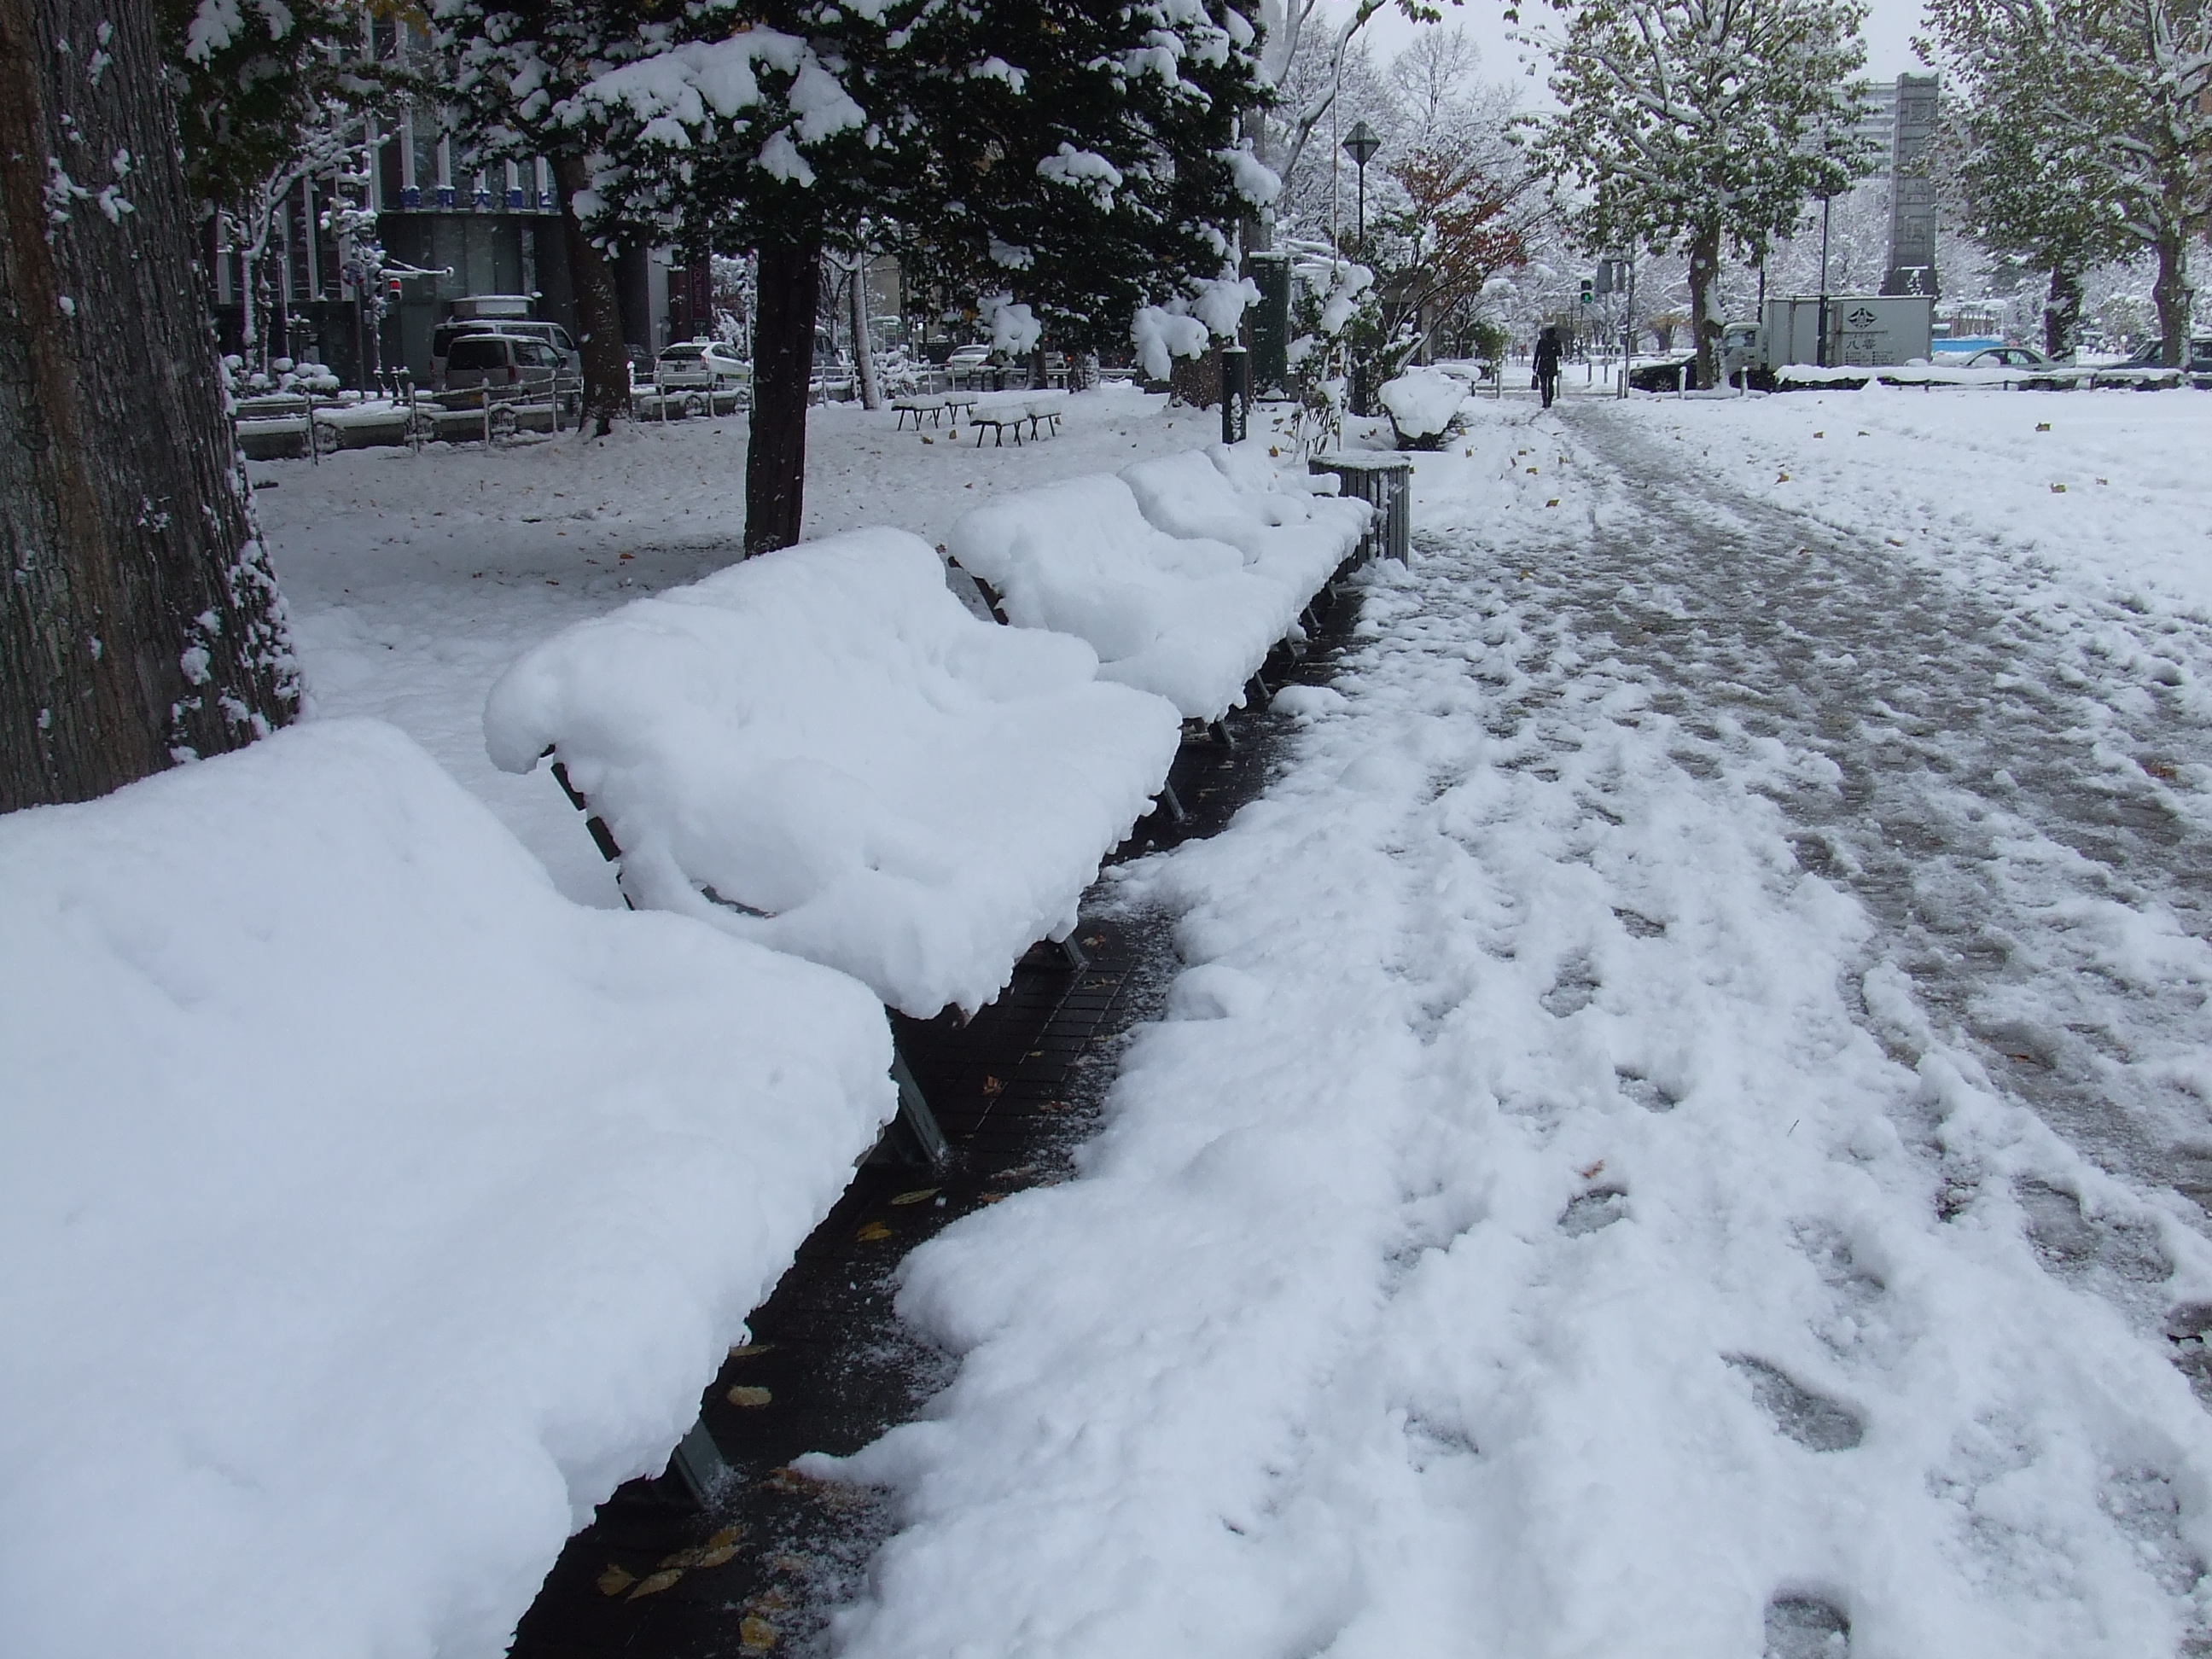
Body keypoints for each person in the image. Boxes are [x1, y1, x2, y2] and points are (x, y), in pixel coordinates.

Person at [1534, 324, 1563, 409]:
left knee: (1543, 384)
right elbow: (1560, 354)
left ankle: (1544, 401)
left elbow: (1537, 354)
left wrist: (1535, 365)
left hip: (1542, 364)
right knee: (1550, 383)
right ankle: (1549, 400)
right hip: (1552, 365)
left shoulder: (1541, 342)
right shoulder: (1556, 342)